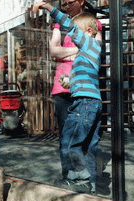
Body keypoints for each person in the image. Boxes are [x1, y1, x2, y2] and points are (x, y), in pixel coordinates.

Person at [33, 2, 102, 193]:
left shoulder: (88, 43)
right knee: (89, 142)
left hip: (84, 103)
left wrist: (47, 7)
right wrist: (69, 82)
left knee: (70, 141)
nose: (72, 38)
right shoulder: (89, 52)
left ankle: (79, 178)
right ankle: (90, 183)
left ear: (88, 31)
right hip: (92, 101)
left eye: (76, 34)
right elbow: (85, 77)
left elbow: (67, 24)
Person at [49, 0, 102, 138]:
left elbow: (96, 48)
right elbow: (54, 51)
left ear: (81, 2)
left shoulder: (92, 22)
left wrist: (66, 54)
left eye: (70, 2)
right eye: (64, 4)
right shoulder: (60, 24)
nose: (67, 6)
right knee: (65, 133)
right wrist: (82, 50)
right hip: (63, 85)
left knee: (85, 135)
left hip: (84, 86)